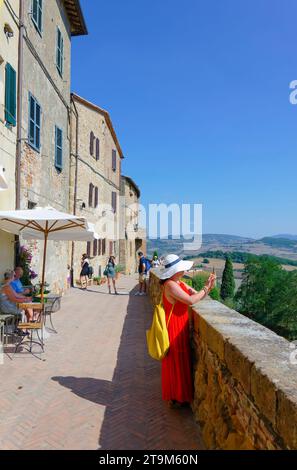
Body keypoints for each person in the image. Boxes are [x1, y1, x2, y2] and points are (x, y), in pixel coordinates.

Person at [154, 254, 216, 408]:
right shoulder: (170, 285)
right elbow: (191, 300)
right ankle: (176, 396)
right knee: (176, 362)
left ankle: (178, 396)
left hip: (180, 325)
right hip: (174, 327)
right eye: (181, 269)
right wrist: (206, 289)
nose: (184, 271)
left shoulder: (178, 283)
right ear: (176, 270)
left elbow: (196, 294)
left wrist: (208, 287)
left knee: (179, 362)